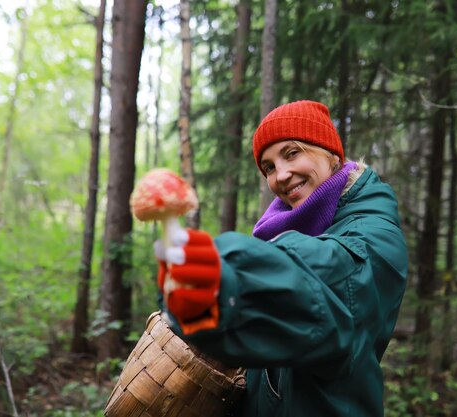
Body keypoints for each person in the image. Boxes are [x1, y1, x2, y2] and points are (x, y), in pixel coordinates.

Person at [154, 100, 408, 416]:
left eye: (291, 153)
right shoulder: (279, 230)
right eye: (269, 167)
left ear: (331, 154)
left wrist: (227, 276)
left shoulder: (374, 232)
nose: (282, 175)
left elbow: (325, 286)